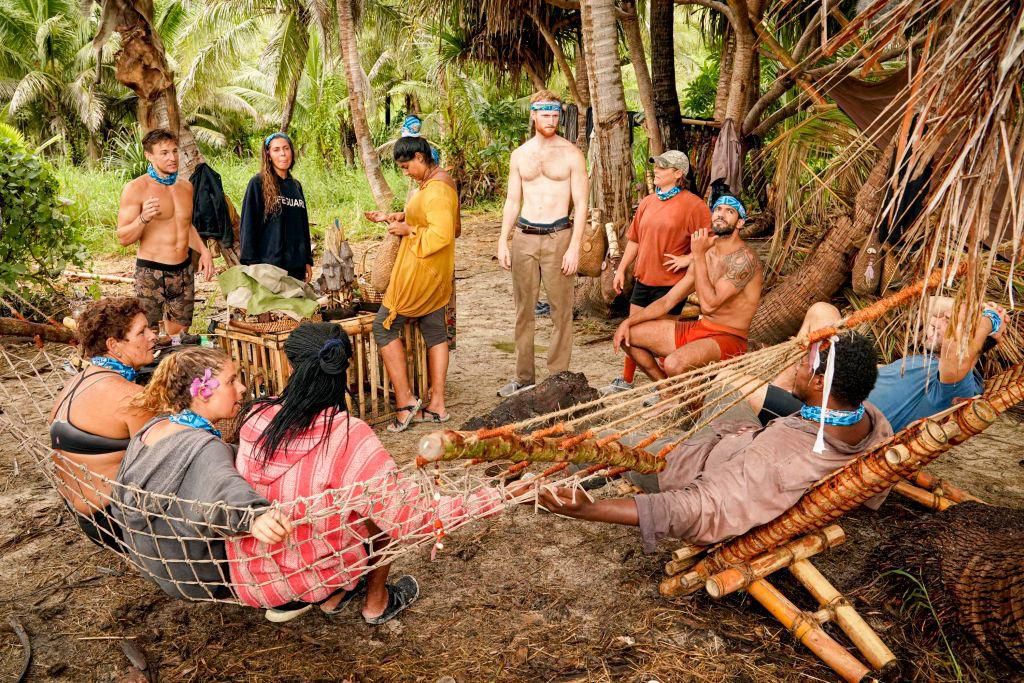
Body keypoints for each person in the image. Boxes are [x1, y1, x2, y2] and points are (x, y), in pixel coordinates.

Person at [228, 323, 503, 624]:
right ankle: (376, 602)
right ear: (343, 368)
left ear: (291, 367)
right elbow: (413, 517)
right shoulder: (346, 434)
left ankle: (336, 597)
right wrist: (502, 494)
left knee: (341, 503)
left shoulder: (256, 414)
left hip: (253, 575)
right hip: (309, 576)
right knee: (384, 514)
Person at [538, 332, 892, 549]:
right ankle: (689, 430)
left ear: (819, 383)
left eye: (805, 365)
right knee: (726, 386)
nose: (798, 367)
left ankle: (562, 471)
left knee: (605, 443)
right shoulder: (872, 421)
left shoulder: (777, 459)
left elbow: (698, 508)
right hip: (737, 442)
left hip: (691, 467)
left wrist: (591, 510)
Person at [113, 348, 291, 600]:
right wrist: (255, 515)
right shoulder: (204, 446)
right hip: (200, 577)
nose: (242, 388)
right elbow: (223, 484)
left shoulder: (154, 427)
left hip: (156, 564)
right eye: (231, 381)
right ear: (202, 392)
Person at [746, 297, 1006, 431]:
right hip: (832, 394)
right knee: (823, 312)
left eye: (946, 320)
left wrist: (991, 318)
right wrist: (975, 308)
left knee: (739, 386)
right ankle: (778, 394)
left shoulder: (957, 385)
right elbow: (929, 304)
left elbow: (956, 349)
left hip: (832, 424)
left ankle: (772, 405)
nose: (934, 321)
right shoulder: (928, 363)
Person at [613, 195, 762, 398]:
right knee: (627, 335)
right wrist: (628, 322)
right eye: (718, 209)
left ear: (740, 223)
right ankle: (668, 391)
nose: (721, 214)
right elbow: (668, 301)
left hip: (729, 338)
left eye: (730, 211)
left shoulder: (744, 259)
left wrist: (698, 255)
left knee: (674, 364)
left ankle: (693, 408)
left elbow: (709, 306)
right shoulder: (707, 255)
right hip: (700, 328)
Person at [495, 90, 588, 398]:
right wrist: (503, 239)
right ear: (533, 115)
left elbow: (582, 204)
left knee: (561, 311)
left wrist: (575, 246)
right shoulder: (520, 155)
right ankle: (523, 378)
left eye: (555, 115)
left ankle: (558, 377)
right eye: (545, 114)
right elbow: (512, 200)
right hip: (524, 235)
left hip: (558, 236)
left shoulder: (572, 154)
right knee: (524, 311)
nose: (551, 120)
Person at [48, 298, 157, 550]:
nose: (153, 336)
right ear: (113, 345)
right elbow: (167, 461)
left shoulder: (76, 382)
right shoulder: (131, 397)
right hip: (118, 523)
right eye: (142, 332)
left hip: (86, 516)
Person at [600, 151, 711, 396]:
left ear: (678, 173)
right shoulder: (648, 202)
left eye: (663, 167)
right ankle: (629, 380)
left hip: (671, 284)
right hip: (643, 279)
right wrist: (621, 269)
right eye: (657, 166)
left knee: (661, 342)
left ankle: (666, 388)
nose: (656, 171)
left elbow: (710, 241)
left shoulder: (694, 205)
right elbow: (634, 239)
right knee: (631, 334)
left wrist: (688, 258)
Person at [370, 135, 458, 432]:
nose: (406, 172)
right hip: (435, 273)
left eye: (406, 166)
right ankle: (437, 406)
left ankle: (406, 402)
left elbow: (442, 234)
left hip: (421, 270)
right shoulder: (434, 182)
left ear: (420, 157)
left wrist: (408, 230)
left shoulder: (437, 190)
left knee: (383, 326)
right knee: (435, 331)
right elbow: (428, 219)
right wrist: (396, 217)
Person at [117, 128, 215, 337]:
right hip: (151, 272)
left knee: (178, 336)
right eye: (164, 153)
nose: (172, 158)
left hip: (183, 271)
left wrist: (204, 251)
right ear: (149, 155)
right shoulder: (136, 188)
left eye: (174, 151)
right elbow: (123, 238)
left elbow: (186, 224)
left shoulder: (186, 187)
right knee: (147, 335)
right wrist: (143, 218)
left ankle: (173, 357)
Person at [239, 132, 313, 282]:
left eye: (286, 148)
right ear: (268, 155)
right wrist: (251, 263)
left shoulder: (296, 186)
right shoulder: (257, 183)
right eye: (276, 150)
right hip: (269, 266)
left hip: (296, 266)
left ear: (291, 151)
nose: (283, 154)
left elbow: (303, 226)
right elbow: (248, 225)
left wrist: (306, 259)